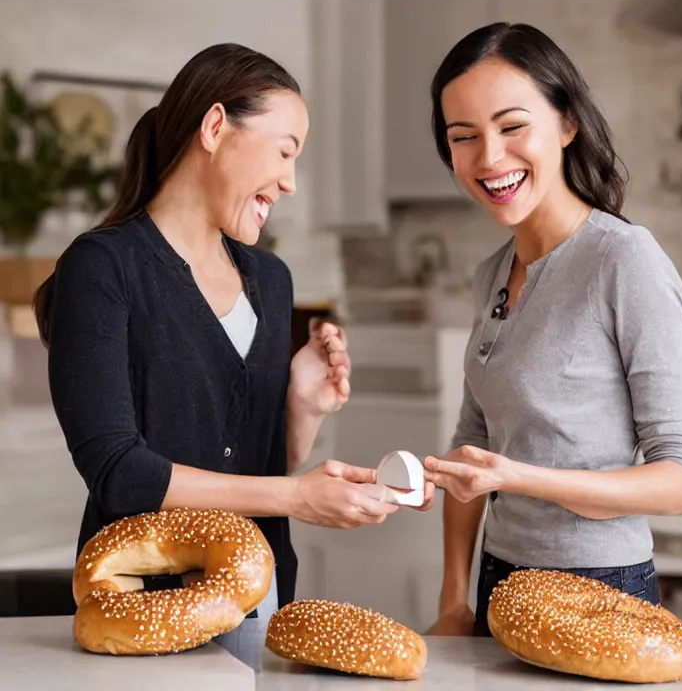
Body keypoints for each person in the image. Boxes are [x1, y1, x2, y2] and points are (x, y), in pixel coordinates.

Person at [33, 43, 430, 667]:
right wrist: (297, 497)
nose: (291, 182)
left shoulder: (270, 280)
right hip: (142, 607)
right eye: (285, 151)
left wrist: (302, 406)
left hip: (261, 593)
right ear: (215, 127)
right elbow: (117, 471)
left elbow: (263, 465)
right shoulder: (103, 268)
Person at [421, 22, 682, 638]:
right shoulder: (492, 274)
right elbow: (471, 444)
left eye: (512, 125)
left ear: (567, 123)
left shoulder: (624, 260)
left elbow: (680, 482)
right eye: (464, 137)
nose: (489, 157)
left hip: (601, 587)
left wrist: (515, 477)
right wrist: (453, 599)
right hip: (501, 579)